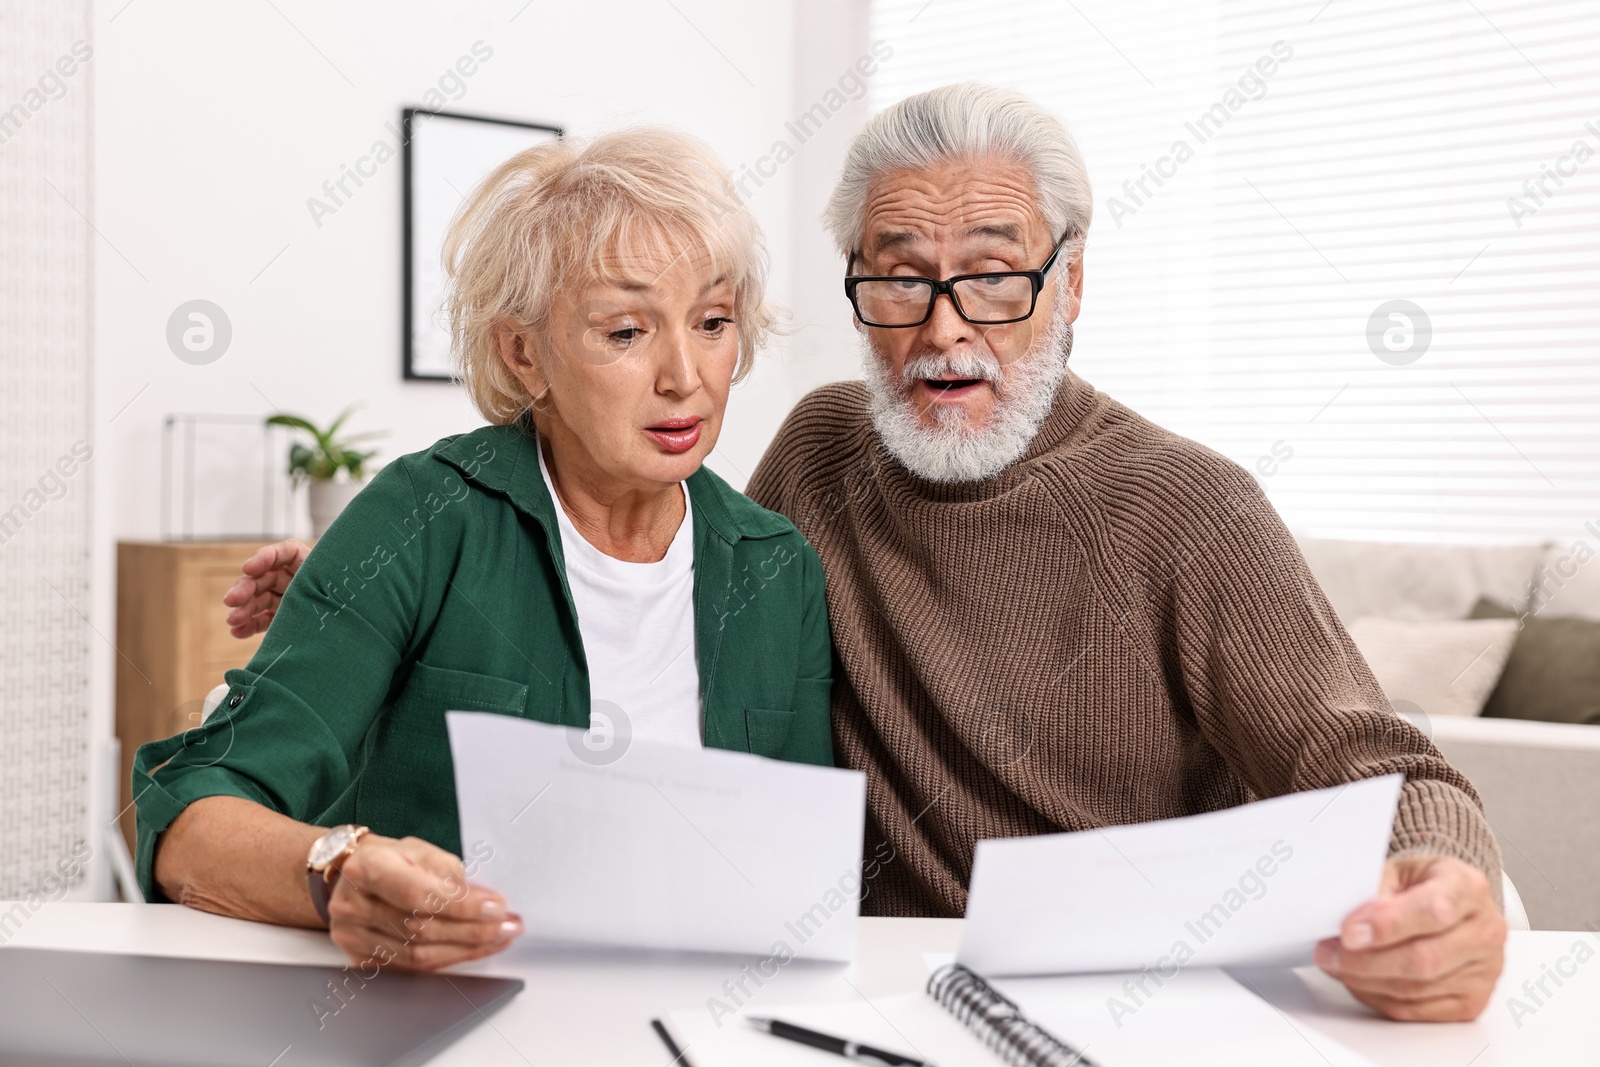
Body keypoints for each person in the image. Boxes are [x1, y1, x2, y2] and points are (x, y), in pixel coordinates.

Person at [230, 85, 1507, 1022]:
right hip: (835, 1001)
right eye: (899, 279)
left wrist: (1447, 888)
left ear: (1069, 286)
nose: (946, 331)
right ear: (855, 288)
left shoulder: (1191, 510)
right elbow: (654, 574)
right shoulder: (825, 449)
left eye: (996, 278)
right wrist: (379, 595)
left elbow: (1381, 764)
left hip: (1107, 1010)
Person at [140, 128, 834, 973]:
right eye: (625, 331)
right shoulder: (420, 518)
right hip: (447, 1015)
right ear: (523, 351)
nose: (685, 374)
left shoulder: (776, 565)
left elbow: (800, 881)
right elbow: (188, 812)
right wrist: (336, 873)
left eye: (714, 321)